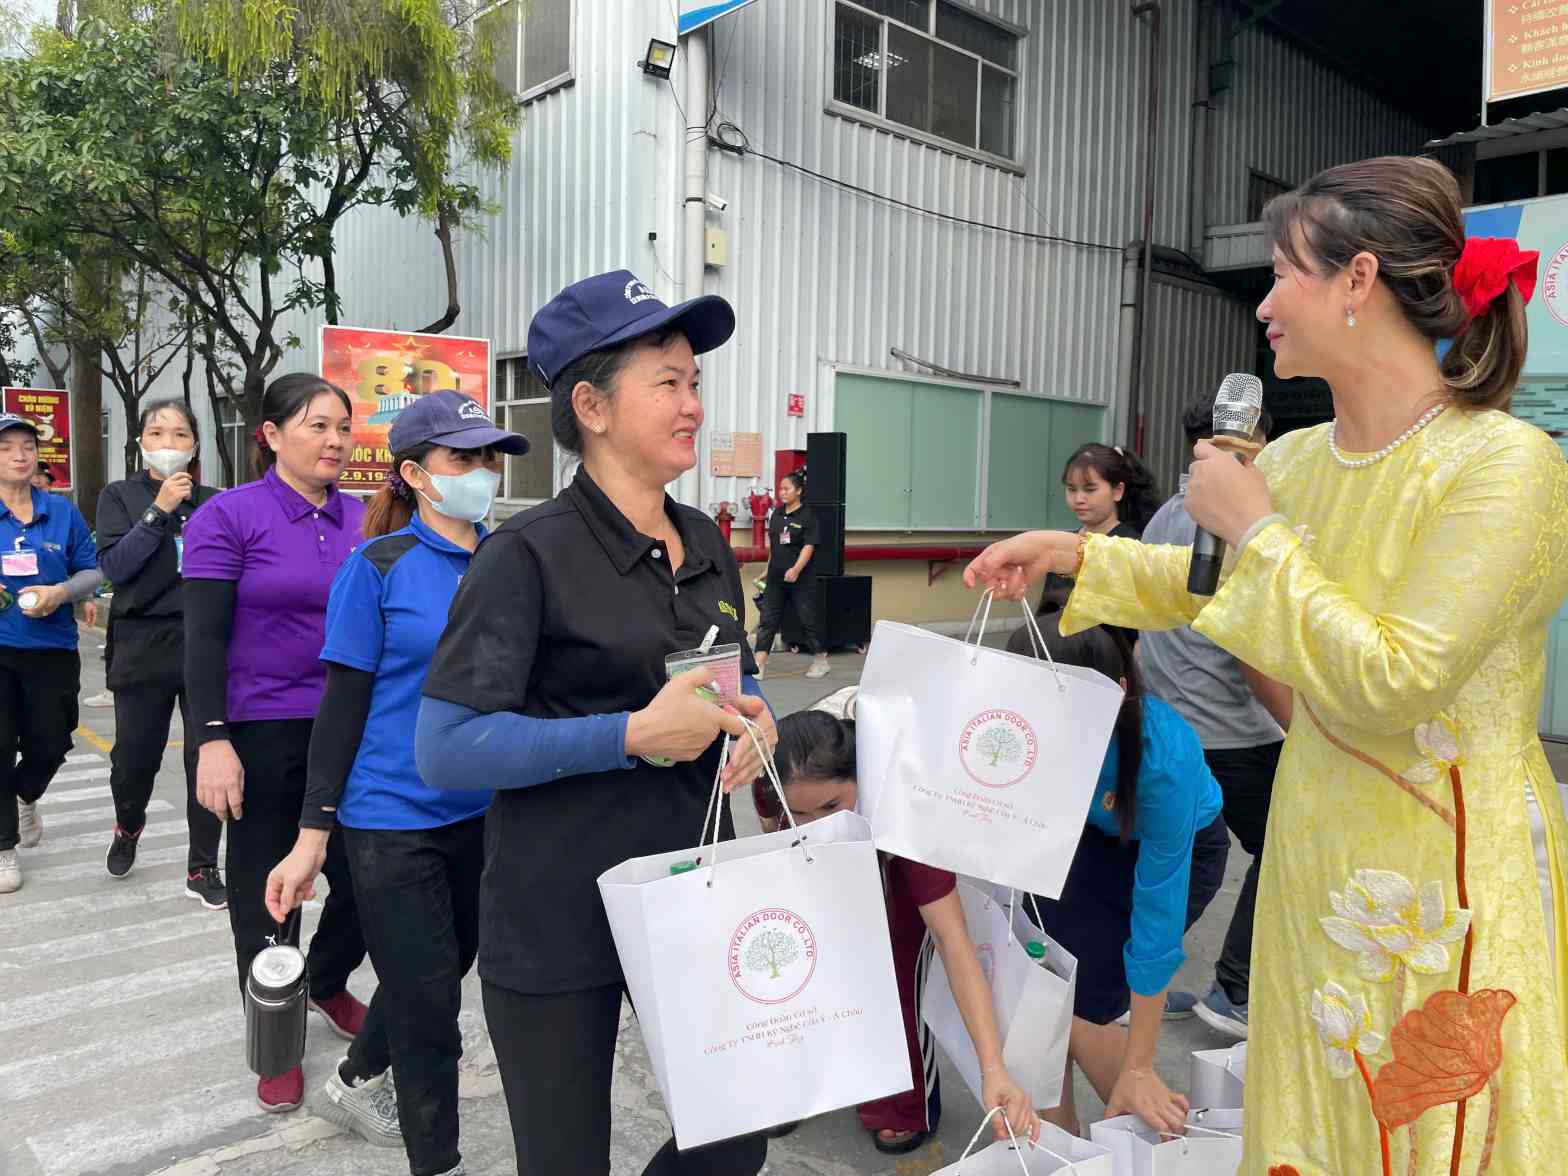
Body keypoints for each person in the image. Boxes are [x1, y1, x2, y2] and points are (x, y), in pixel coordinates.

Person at [966, 155, 1568, 1174]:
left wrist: (1256, 532)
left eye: (1283, 272)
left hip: (1443, 877)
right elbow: (1213, 590)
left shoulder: (1502, 465)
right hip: (1313, 845)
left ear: (1357, 279)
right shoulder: (1291, 461)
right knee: (1316, 1102)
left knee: (1430, 1116)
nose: (1266, 305)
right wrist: (1073, 555)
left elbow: (1392, 675)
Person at [415, 270, 776, 1176]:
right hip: (555, 918)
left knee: (737, 1137)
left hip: (688, 900)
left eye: (695, 380)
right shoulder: (524, 556)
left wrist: (756, 720)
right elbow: (447, 747)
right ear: (592, 405)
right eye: (667, 380)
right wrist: (627, 735)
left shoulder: (705, 541)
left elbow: (737, 681)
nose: (693, 402)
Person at [263, 391, 527, 1176]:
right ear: (414, 473)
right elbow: (341, 709)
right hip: (389, 819)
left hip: (485, 811)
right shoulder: (376, 568)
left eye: (488, 459)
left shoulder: (510, 561)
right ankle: (436, 1162)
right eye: (462, 459)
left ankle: (351, 1079)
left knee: (443, 972)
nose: (481, 474)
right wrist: (314, 836)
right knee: (430, 1008)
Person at [182, 373, 382, 1114]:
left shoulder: (369, 517)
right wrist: (211, 739)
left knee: (366, 875)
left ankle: (325, 980)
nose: (334, 441)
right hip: (263, 729)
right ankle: (276, 1035)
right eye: (316, 426)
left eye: (342, 426)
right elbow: (201, 641)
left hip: (357, 727)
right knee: (271, 892)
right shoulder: (229, 516)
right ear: (270, 435)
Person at [752, 701, 1039, 1155]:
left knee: (897, 975)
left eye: (832, 805)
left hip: (894, 867)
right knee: (798, 976)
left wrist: (994, 1068)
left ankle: (904, 1101)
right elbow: (772, 837)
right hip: (813, 874)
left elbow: (952, 940)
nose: (817, 825)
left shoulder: (908, 810)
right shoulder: (769, 785)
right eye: (800, 814)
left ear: (864, 780)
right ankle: (801, 1080)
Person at [1002, 621, 1225, 1135]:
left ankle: (1161, 1145)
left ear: (1119, 691)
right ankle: (1060, 1152)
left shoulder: (1164, 758)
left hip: (1173, 847)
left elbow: (1156, 927)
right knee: (1045, 989)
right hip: (1087, 838)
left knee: (1085, 1010)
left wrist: (1140, 1065)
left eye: (1068, 714)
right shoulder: (1013, 721)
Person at [1134, 390, 1281, 1041]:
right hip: (1227, 728)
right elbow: (1251, 643)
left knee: (1183, 856)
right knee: (1284, 845)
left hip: (1168, 721)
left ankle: (1136, 975)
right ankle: (1236, 988)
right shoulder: (1238, 521)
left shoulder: (1170, 509)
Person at [95, 399, 225, 908]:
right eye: (156, 433)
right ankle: (128, 823)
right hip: (142, 643)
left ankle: (202, 865)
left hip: (206, 642)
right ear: (140, 443)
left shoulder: (216, 503)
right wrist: (159, 510)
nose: (168, 443)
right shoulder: (119, 497)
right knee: (135, 758)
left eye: (179, 434)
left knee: (207, 759)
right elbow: (116, 568)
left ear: (195, 443)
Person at [0, 413, 100, 894]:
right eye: (7, 447)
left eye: (27, 446)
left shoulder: (61, 512)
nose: (20, 454)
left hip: (53, 647)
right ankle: (2, 847)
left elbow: (91, 571)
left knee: (53, 740)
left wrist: (61, 594)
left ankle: (25, 793)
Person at [1038, 444, 1159, 620]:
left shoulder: (1132, 546)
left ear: (1117, 491)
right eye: (1072, 489)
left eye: (1090, 489)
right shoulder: (1064, 542)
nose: (1079, 499)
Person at [751, 468, 829, 680]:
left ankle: (821, 660)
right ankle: (759, 664)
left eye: (787, 489)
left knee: (808, 619)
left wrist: (795, 569)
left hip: (801, 579)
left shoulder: (807, 516)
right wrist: (766, 572)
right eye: (780, 488)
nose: (782, 492)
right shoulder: (776, 514)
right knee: (768, 619)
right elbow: (775, 548)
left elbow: (809, 547)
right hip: (776, 579)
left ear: (799, 491)